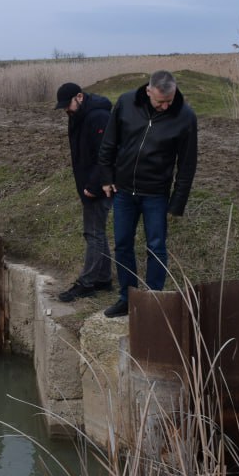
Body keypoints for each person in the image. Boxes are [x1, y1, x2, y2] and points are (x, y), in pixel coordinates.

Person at [97, 70, 198, 318]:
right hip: (123, 191)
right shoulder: (125, 102)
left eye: (169, 101)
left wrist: (177, 203)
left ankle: (153, 299)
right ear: (148, 91)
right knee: (122, 244)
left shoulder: (185, 116)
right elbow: (109, 142)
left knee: (156, 246)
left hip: (156, 194)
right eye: (160, 101)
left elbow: (187, 164)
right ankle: (127, 297)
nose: (165, 106)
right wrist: (107, 177)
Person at [54, 82, 114, 302]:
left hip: (98, 186)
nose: (66, 110)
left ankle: (87, 283)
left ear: (79, 97)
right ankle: (104, 278)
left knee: (93, 234)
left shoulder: (98, 117)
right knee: (96, 232)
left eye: (67, 105)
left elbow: (106, 154)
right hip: (88, 185)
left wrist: (94, 185)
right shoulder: (79, 115)